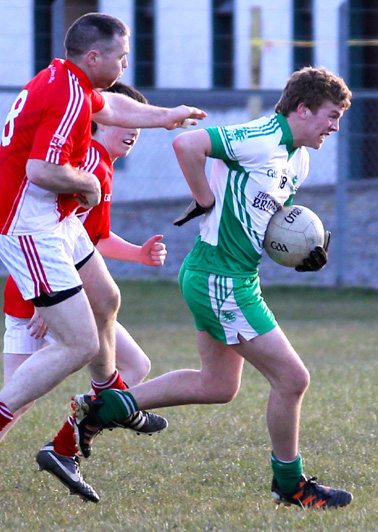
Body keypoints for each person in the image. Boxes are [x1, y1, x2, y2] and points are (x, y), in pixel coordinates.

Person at [0, 12, 206, 509]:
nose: (127, 63)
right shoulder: (68, 95)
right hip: (29, 229)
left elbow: (113, 107)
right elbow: (41, 171)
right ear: (95, 56)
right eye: (122, 56)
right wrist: (89, 183)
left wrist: (166, 115)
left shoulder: (68, 78)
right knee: (79, 342)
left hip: (54, 221)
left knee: (107, 297)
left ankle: (108, 395)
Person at [72, 67, 355, 509]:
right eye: (331, 115)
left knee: (218, 385)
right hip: (219, 278)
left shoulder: (298, 157)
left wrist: (301, 249)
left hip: (232, 276)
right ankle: (290, 484)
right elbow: (187, 143)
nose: (335, 127)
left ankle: (106, 407)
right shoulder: (262, 136)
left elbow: (260, 216)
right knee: (292, 379)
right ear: (303, 109)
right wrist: (204, 197)